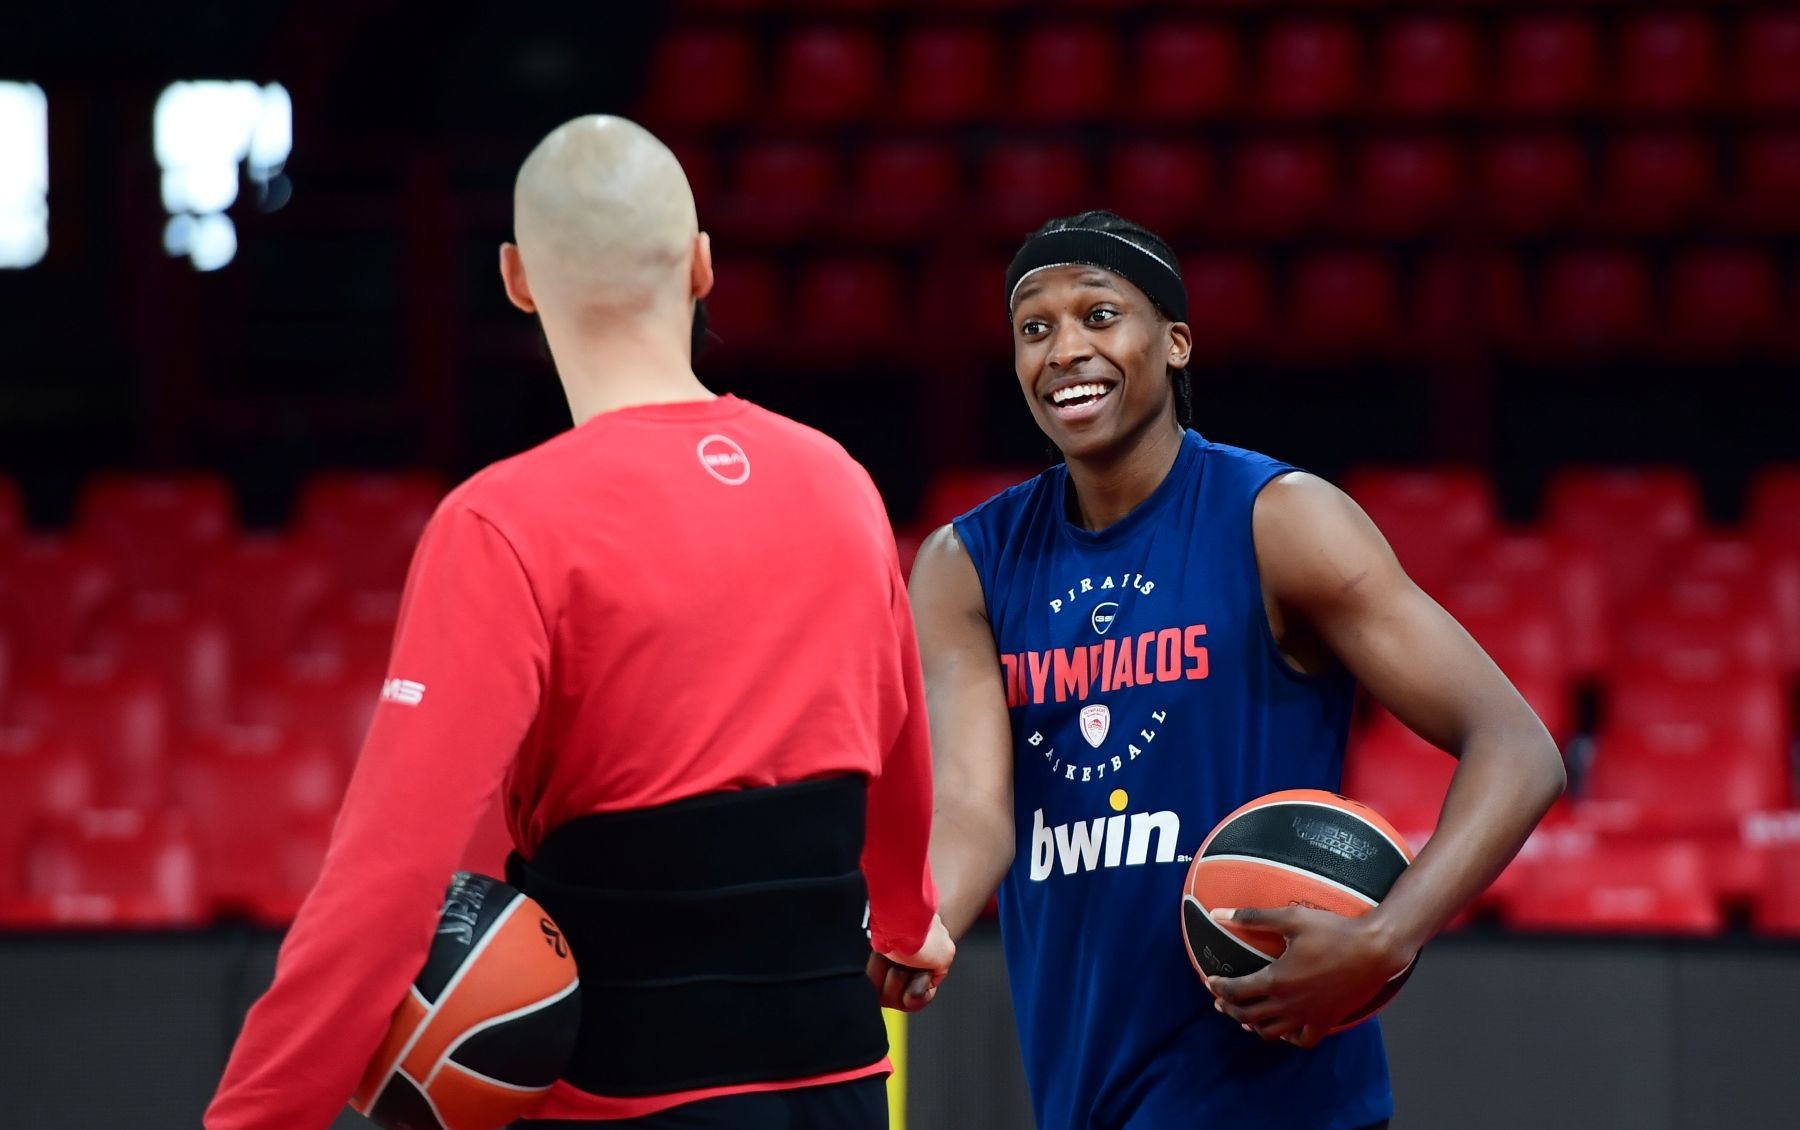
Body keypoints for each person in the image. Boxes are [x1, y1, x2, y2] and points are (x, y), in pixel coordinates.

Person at [205, 115, 952, 1130]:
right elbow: (899, 748)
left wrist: (252, 1119)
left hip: (625, 1100)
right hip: (845, 1089)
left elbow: (388, 880)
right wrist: (905, 920)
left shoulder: (500, 523)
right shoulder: (841, 482)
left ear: (516, 279)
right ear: (702, 265)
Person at [887, 210, 1565, 1129]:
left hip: (1280, 1095)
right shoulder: (966, 563)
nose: (1064, 350)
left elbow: (1518, 748)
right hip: (1083, 1085)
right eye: (1034, 327)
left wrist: (1387, 937)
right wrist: (925, 920)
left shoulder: (1281, 520)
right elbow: (972, 808)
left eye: (1098, 315)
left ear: (1175, 342)